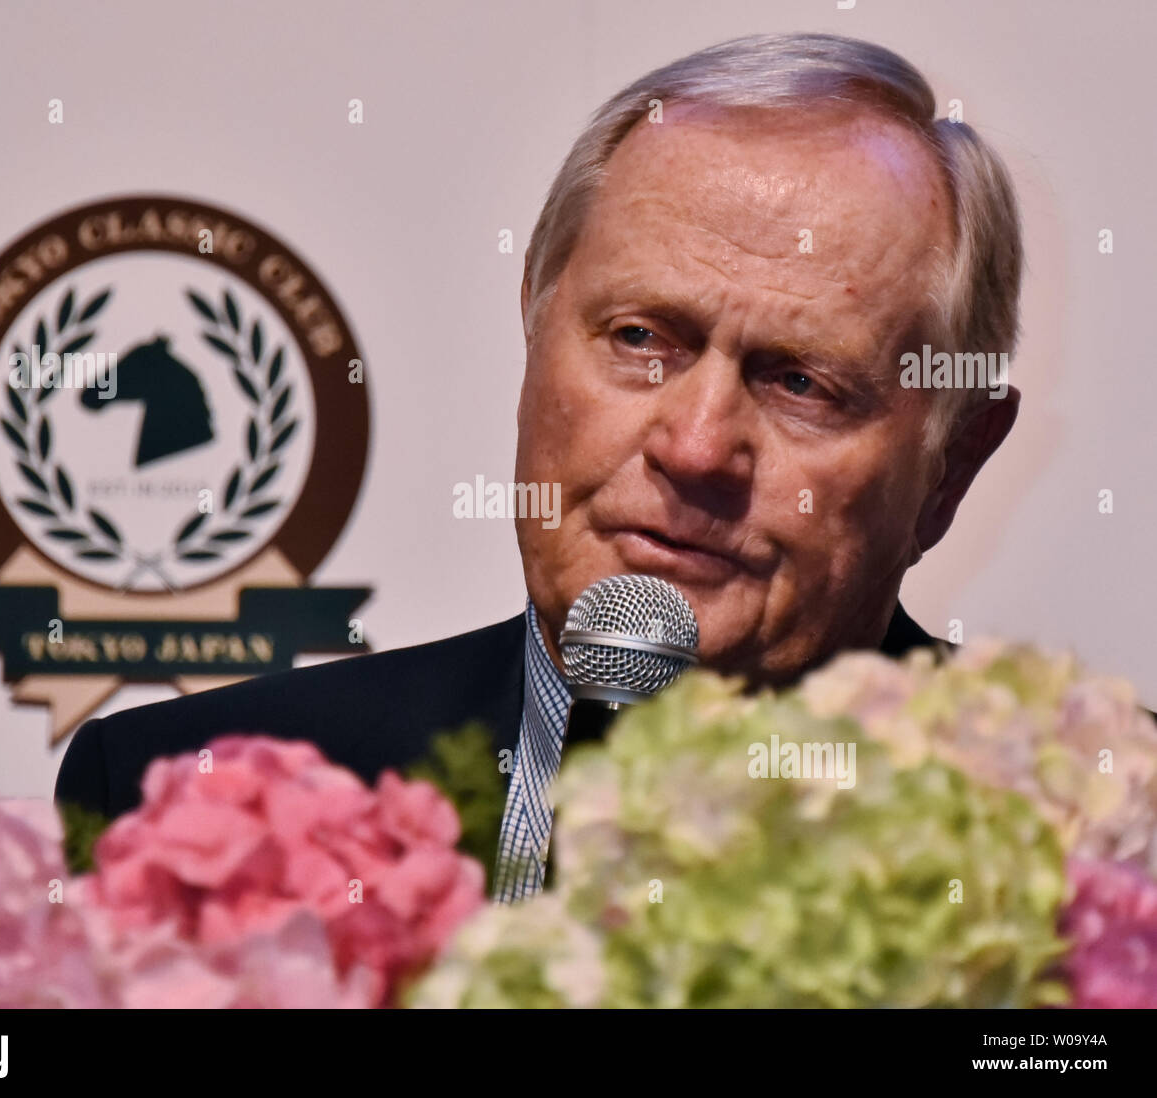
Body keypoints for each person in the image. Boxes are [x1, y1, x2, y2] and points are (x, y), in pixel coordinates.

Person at [57, 33, 1025, 902]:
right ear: (533, 320)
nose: (693, 447)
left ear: (950, 466)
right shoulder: (182, 806)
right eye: (641, 336)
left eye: (803, 384)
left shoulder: (1094, 843)